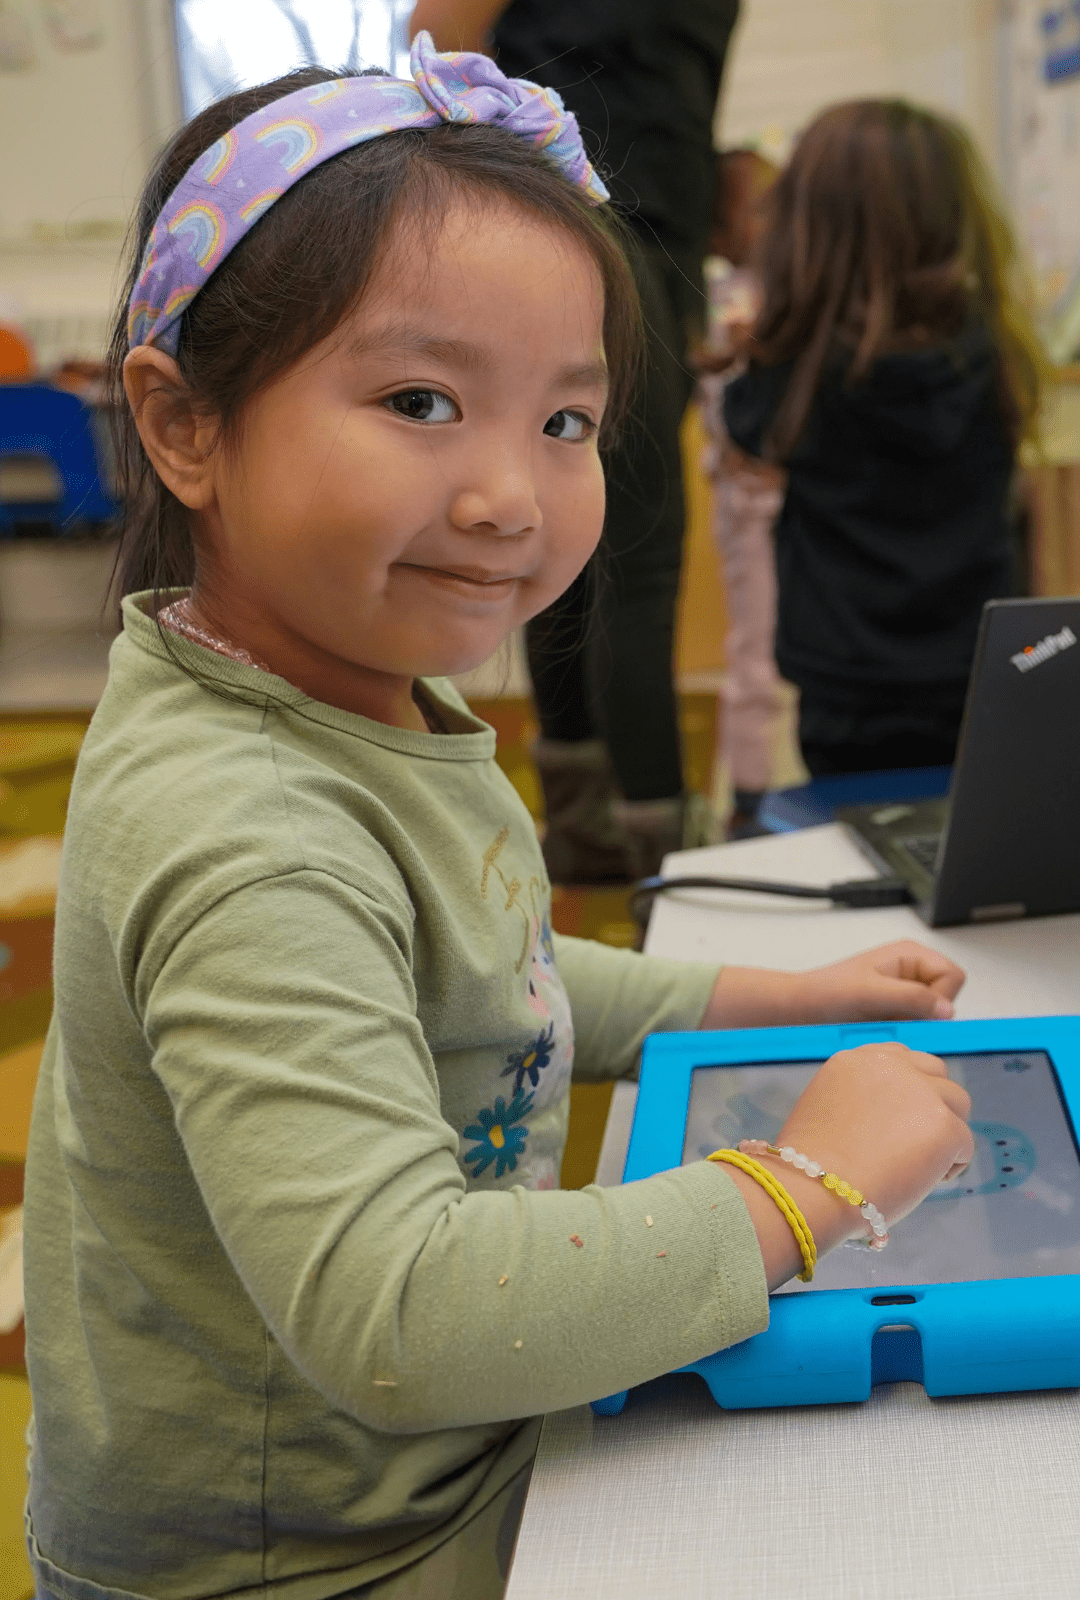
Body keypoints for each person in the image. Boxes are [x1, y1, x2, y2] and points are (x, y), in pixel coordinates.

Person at [23, 40, 973, 1600]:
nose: (509, 498)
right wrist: (810, 1184)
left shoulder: (346, 691)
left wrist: (775, 995)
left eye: (565, 423)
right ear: (185, 427)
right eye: (421, 400)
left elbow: (489, 973)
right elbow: (402, 1313)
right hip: (310, 1557)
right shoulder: (251, 824)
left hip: (416, 1465)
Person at [412, 0, 742, 882]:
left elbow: (680, 95)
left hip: (662, 243)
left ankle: (591, 827)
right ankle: (664, 857)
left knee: (585, 539)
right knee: (634, 560)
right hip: (574, 219)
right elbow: (438, 39)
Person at [724, 100, 1048, 778]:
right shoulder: (994, 352)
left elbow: (742, 424)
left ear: (811, 230)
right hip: (983, 666)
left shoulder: (798, 370)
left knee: (860, 823)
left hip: (844, 688)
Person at [696, 148, 784, 836]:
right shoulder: (723, 293)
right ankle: (750, 801)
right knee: (754, 650)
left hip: (790, 500)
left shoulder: (795, 287)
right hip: (749, 504)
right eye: (750, 209)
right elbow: (715, 381)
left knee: (785, 650)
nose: (766, 223)